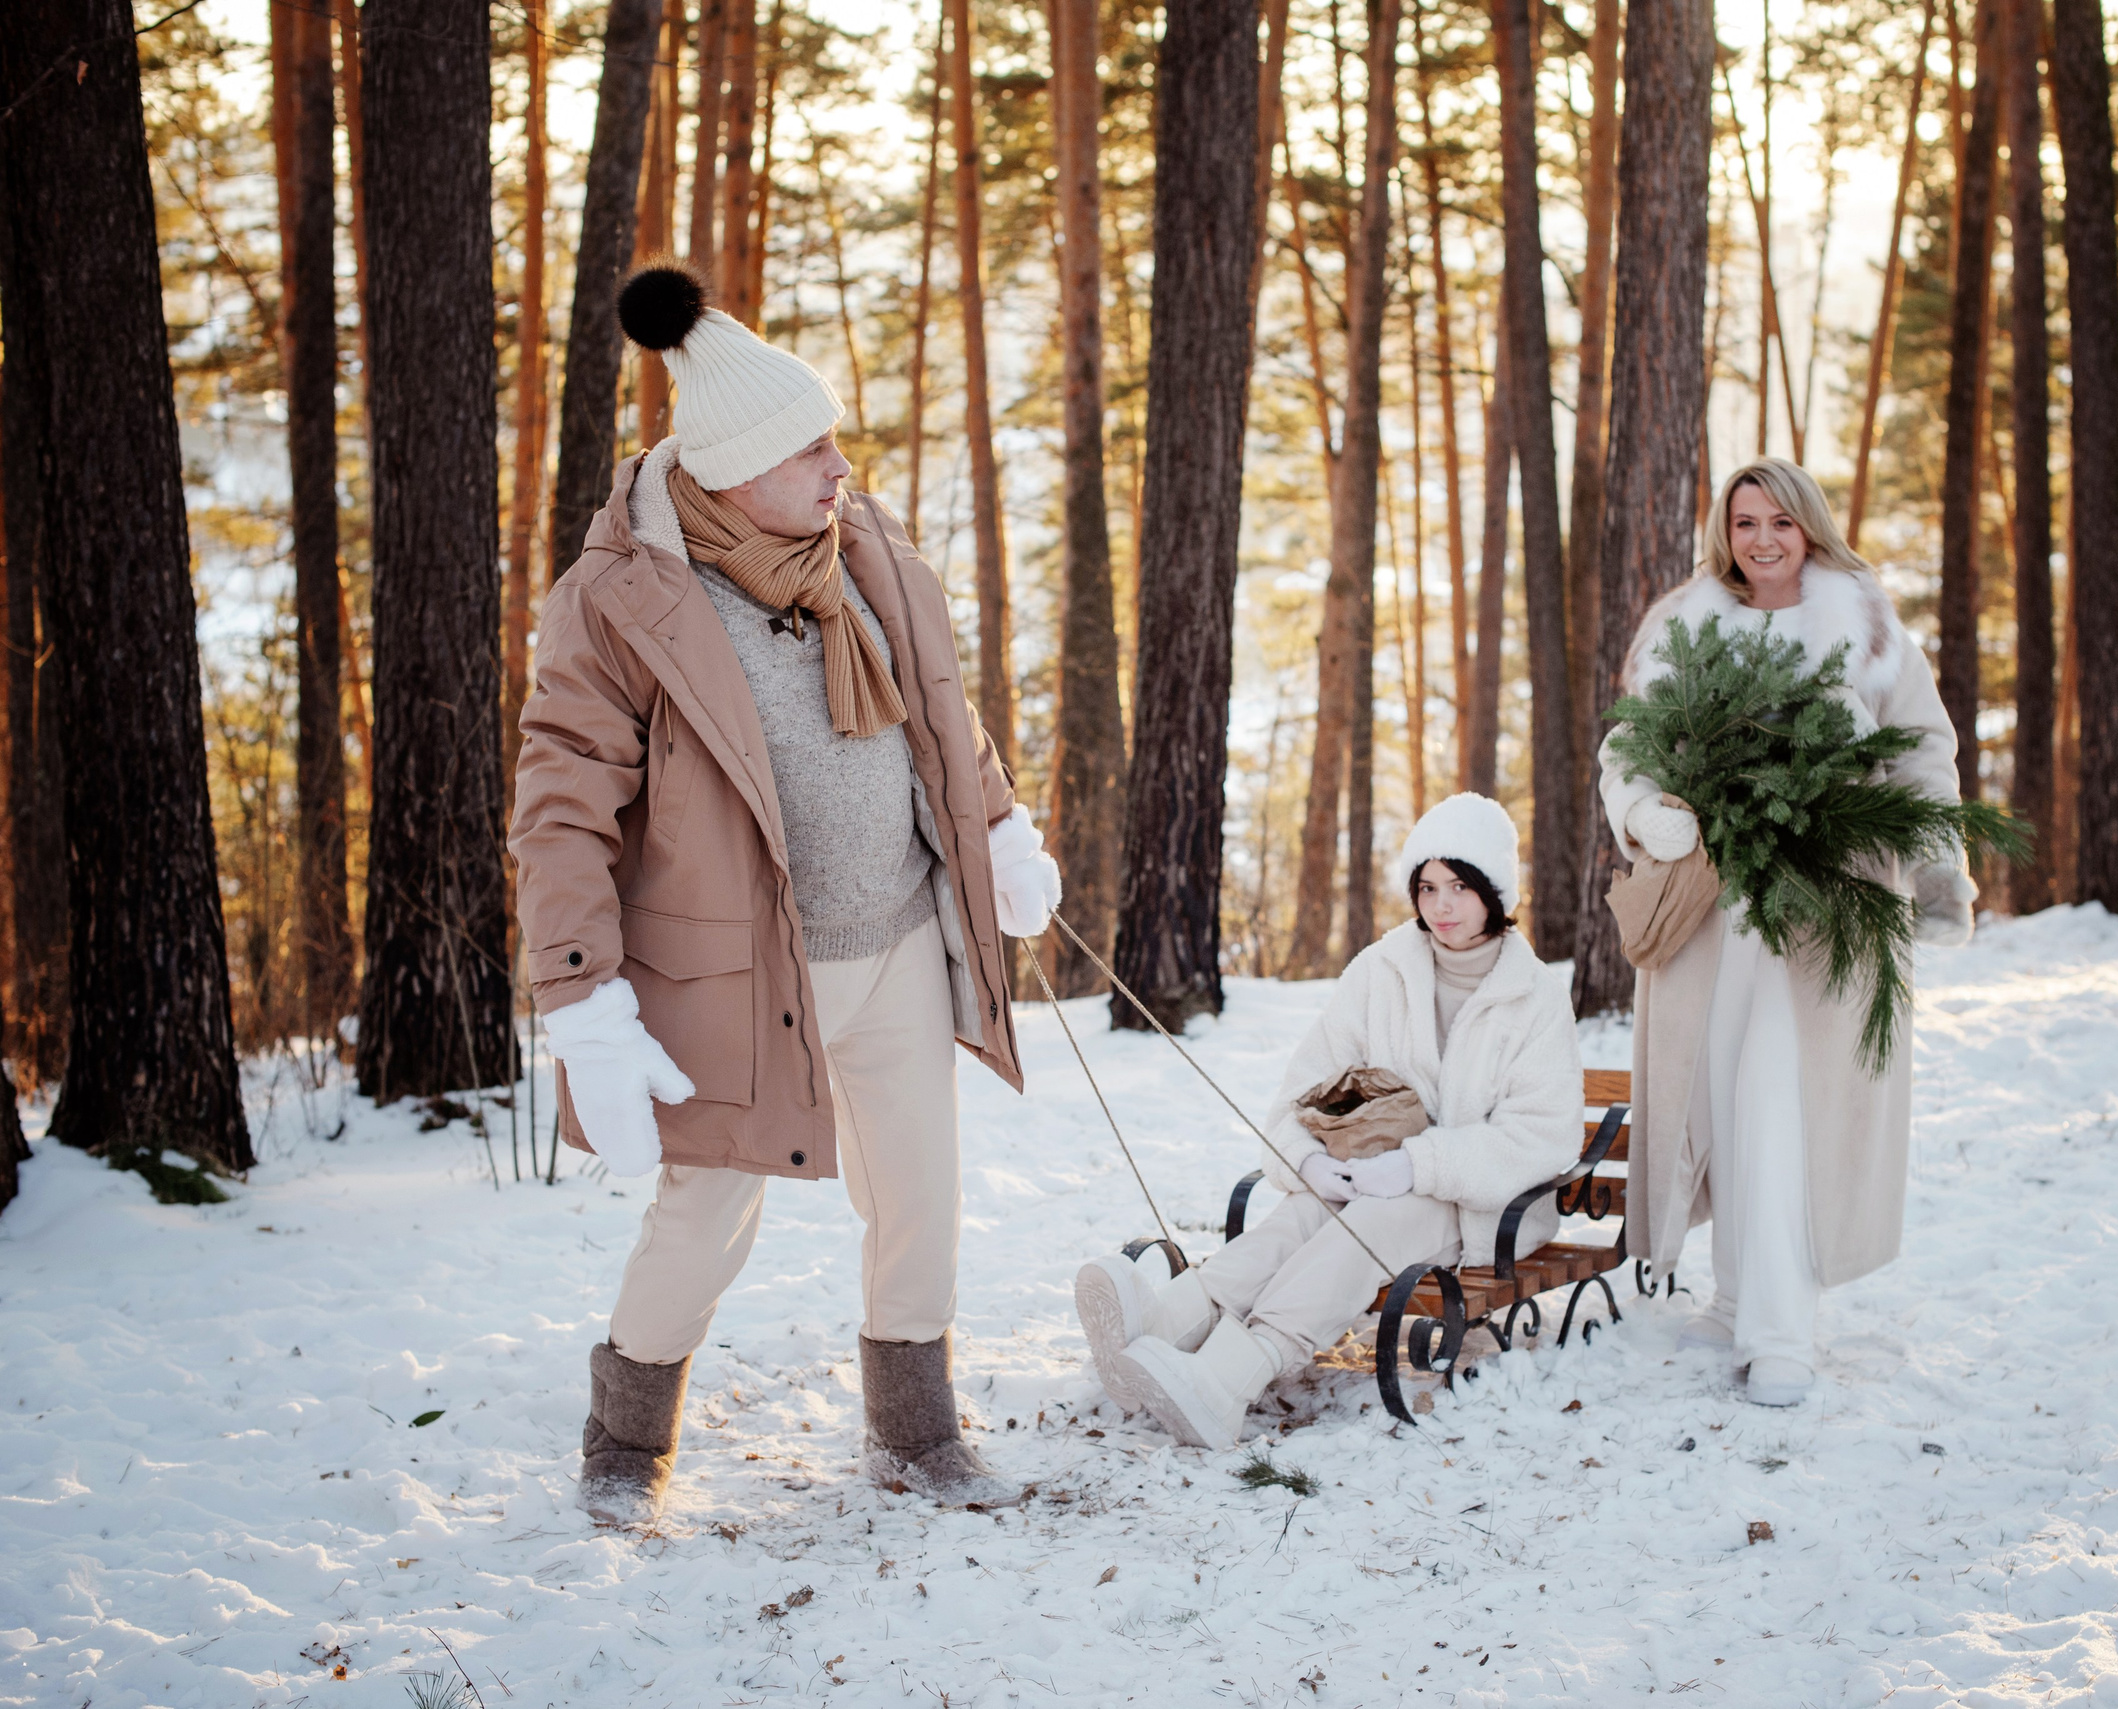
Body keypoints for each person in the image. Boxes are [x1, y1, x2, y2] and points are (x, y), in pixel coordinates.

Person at [512, 264, 1061, 1520]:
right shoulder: (619, 600)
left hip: (903, 938)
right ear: (732, 467)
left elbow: (937, 707)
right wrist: (583, 1001)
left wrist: (1000, 824)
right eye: (809, 445)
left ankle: (917, 1435)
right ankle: (622, 1443)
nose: (837, 463)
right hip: (746, 970)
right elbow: (558, 812)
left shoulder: (856, 543)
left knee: (919, 1193)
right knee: (705, 1212)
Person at [1596, 457, 1970, 1408]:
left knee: (1783, 1104)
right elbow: (1627, 746)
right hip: (1711, 912)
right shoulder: (1684, 623)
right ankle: (1732, 1299)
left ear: (1810, 527)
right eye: (1744, 522)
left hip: (1826, 908)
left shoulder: (1866, 624)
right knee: (1716, 1104)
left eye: (1780, 523)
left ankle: (1780, 1329)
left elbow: (1924, 748)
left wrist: (1935, 871)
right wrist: (1646, 815)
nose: (1761, 540)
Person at [1072, 793, 1584, 1448]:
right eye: (1427, 887)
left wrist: (1418, 1165)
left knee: (1375, 1219)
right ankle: (1166, 1324)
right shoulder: (1382, 970)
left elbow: (1542, 1134)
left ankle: (1230, 1378)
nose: (1442, 906)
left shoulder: (1533, 995)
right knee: (1303, 1213)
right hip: (1374, 1173)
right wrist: (1310, 1161)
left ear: (1494, 889)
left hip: (1483, 1206)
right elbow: (1303, 1089)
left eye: (1459, 886)